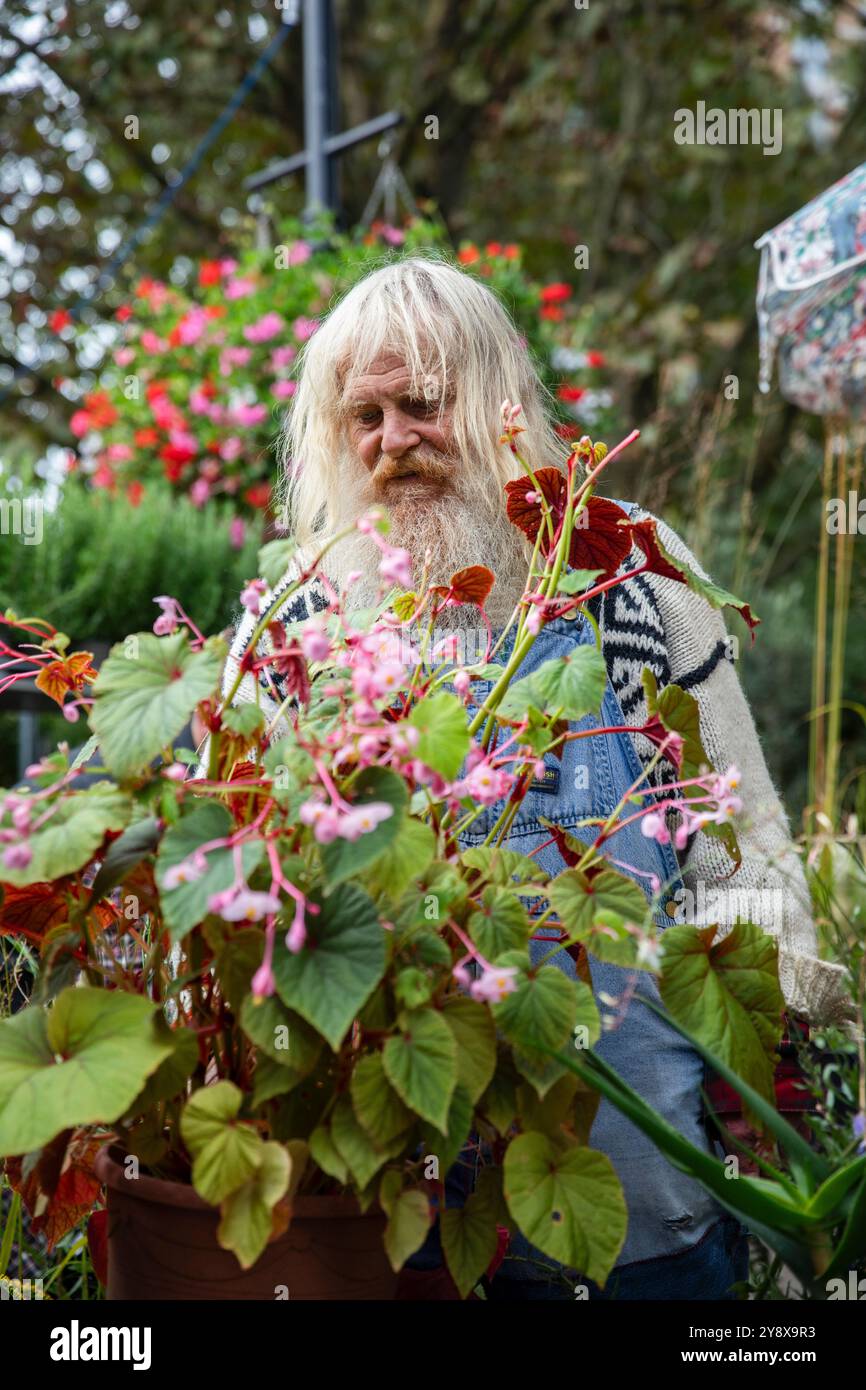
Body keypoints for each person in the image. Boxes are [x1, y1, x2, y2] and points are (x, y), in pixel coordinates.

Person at [194, 254, 854, 1299]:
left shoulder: (626, 567)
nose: (392, 443)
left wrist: (779, 1071)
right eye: (363, 419)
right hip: (385, 1198)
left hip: (635, 1195)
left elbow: (743, 839)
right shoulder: (298, 616)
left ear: (499, 405)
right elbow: (221, 870)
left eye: (420, 404)